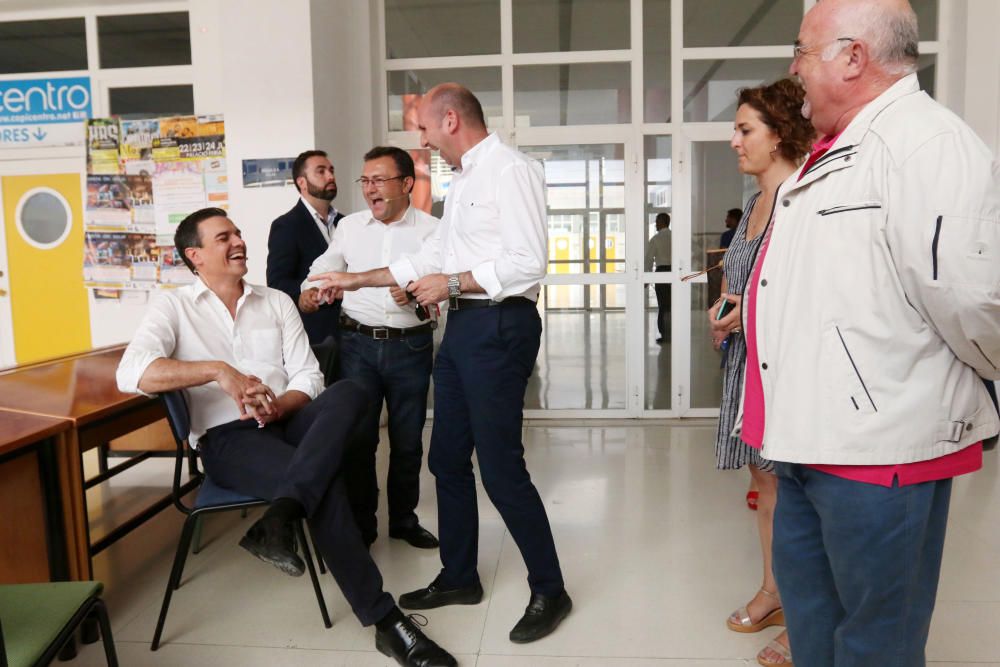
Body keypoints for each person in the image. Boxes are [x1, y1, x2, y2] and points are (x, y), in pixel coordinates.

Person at [742, 1, 1000, 664]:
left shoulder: (925, 144)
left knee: (875, 643)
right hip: (807, 445)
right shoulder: (832, 148)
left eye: (803, 50)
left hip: (880, 454)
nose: (793, 68)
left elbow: (975, 302)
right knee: (816, 630)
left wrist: (967, 391)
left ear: (852, 56)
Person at [116, 207, 456, 667]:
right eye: (223, 238)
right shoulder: (171, 306)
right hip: (228, 438)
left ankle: (283, 513)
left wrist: (280, 404)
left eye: (237, 232)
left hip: (288, 421)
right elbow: (132, 372)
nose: (238, 241)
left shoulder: (275, 301)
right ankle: (386, 623)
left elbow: (309, 378)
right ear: (194, 255)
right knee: (325, 484)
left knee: (353, 389)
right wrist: (220, 372)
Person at [307, 83, 572, 644]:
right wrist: (352, 279)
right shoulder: (466, 178)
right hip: (464, 327)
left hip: (500, 324)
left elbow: (527, 263)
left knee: (500, 468)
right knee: (446, 458)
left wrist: (449, 283)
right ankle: (459, 576)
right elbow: (429, 258)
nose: (421, 141)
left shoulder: (510, 169)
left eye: (424, 129)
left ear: (450, 120)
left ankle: (550, 587)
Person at [709, 78, 814, 667]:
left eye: (745, 130)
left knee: (796, 491)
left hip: (784, 368)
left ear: (779, 137)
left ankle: (805, 615)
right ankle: (775, 591)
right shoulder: (755, 203)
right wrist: (725, 309)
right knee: (766, 483)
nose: (734, 141)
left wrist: (743, 313)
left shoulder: (803, 200)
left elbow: (798, 295)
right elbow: (740, 281)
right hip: (746, 362)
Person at [301, 146, 440, 550]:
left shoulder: (432, 231)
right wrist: (310, 292)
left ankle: (404, 520)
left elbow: (444, 300)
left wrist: (416, 300)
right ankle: (363, 525)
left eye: (378, 180)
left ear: (407, 184)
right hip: (356, 345)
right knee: (359, 440)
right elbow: (320, 271)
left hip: (410, 348)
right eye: (365, 181)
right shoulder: (350, 228)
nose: (369, 189)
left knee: (408, 440)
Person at [267, 150, 345, 344]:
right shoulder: (286, 225)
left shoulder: (346, 223)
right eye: (321, 171)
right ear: (301, 182)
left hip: (355, 334)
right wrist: (308, 291)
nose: (330, 176)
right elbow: (277, 283)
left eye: (331, 170)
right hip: (316, 335)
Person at [645, 212, 672, 343]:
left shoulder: (655, 239)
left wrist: (646, 278)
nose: (655, 224)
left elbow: (649, 260)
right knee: (674, 304)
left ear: (662, 222)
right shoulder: (675, 237)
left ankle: (665, 334)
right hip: (674, 272)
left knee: (663, 305)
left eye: (656, 221)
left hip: (662, 272)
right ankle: (675, 332)